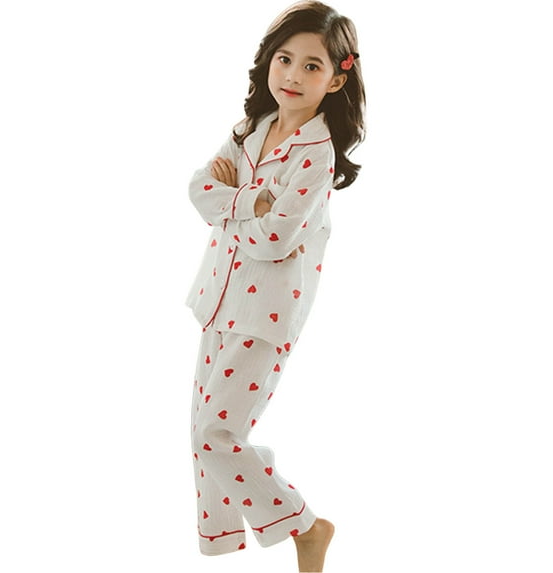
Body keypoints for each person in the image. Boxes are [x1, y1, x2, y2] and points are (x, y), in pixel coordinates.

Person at [186, 2, 366, 570]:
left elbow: (274, 240)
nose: (292, 74)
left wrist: (234, 208)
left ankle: (306, 526)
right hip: (217, 296)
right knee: (203, 436)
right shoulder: (250, 130)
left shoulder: (316, 155)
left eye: (312, 66)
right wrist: (253, 200)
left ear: (335, 80)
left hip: (264, 312)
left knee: (217, 434)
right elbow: (198, 189)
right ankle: (223, 548)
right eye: (284, 59)